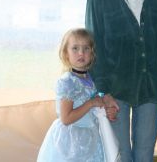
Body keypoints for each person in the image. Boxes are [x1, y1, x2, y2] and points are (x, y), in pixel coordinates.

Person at [85, 0, 157, 162]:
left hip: (150, 87)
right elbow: (92, 45)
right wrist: (103, 90)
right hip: (114, 90)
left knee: (144, 154)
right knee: (120, 155)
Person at [37, 28, 106, 162]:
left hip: (90, 136)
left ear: (92, 54)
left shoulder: (89, 79)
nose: (81, 53)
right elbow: (66, 118)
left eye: (86, 48)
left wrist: (102, 102)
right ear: (66, 53)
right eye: (75, 48)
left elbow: (91, 102)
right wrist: (90, 103)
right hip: (71, 141)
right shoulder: (68, 82)